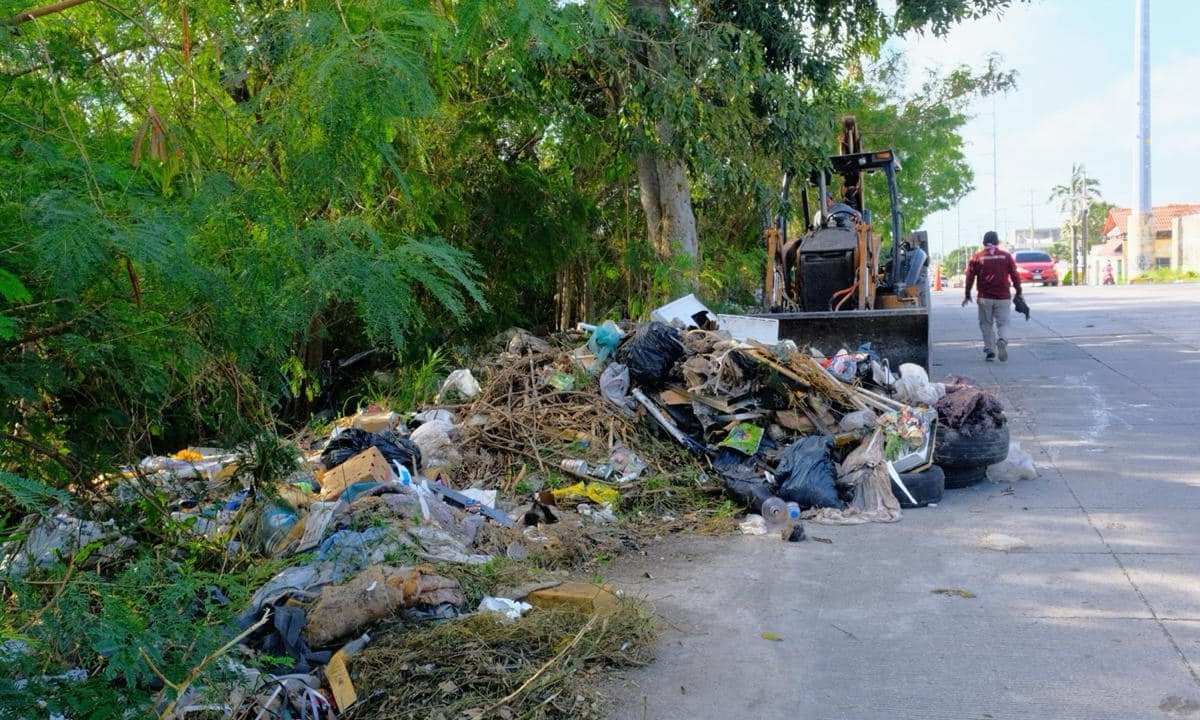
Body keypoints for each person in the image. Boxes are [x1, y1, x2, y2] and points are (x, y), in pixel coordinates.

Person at [962, 231, 1022, 362]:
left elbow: (970, 277)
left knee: (986, 324)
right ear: (997, 242)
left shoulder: (977, 257)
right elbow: (1015, 275)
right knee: (1003, 323)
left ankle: (990, 350)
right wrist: (1018, 291)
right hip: (1003, 297)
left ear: (984, 242)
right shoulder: (1006, 256)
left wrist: (967, 294)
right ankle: (1002, 340)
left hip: (985, 297)